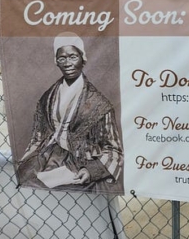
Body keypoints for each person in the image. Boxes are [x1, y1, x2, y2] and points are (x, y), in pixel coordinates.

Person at [16, 32, 124, 193]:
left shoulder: (99, 104)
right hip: (48, 157)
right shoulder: (46, 99)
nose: (67, 63)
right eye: (62, 58)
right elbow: (37, 139)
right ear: (56, 62)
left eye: (73, 57)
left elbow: (114, 150)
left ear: (83, 59)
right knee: (24, 179)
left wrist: (91, 171)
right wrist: (27, 163)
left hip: (81, 162)